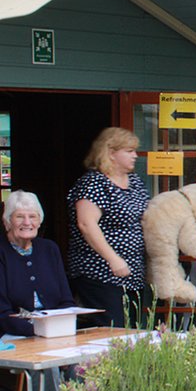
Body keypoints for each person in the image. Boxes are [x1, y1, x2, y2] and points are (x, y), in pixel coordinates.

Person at [0, 191, 77, 391]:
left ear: (40, 220)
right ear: (7, 221)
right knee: (49, 364)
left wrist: (60, 329)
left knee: (84, 361)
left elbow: (65, 300)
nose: (27, 223)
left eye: (32, 216)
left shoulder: (49, 249)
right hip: (15, 334)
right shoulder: (1, 252)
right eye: (19, 217)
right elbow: (2, 313)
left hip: (54, 331)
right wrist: (39, 330)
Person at [67, 127, 149, 328]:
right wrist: (113, 258)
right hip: (101, 272)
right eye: (129, 151)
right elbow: (86, 224)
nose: (135, 155)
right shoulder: (94, 183)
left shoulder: (135, 182)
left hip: (133, 271)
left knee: (138, 329)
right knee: (114, 328)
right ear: (111, 153)